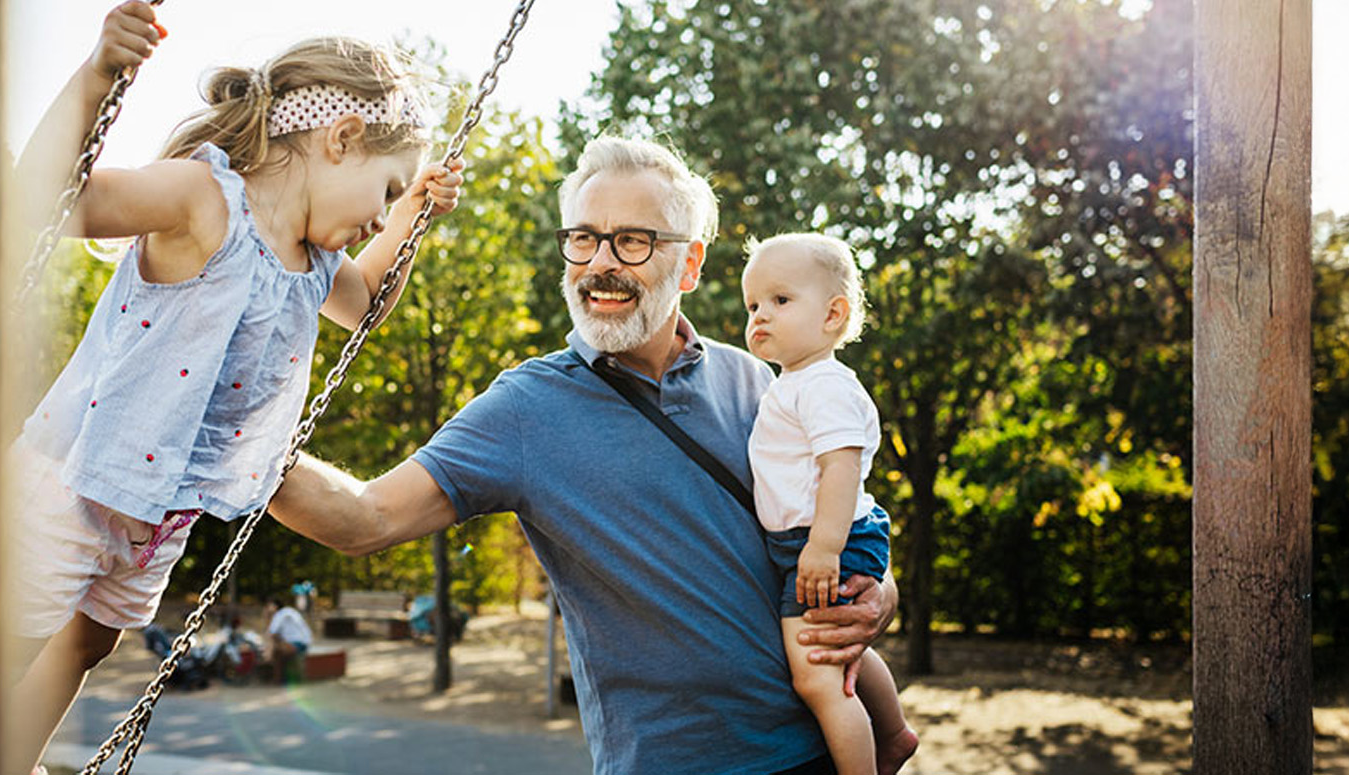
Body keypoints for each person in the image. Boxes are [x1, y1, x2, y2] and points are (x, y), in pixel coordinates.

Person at [268, 135, 900, 774]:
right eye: (584, 238)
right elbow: (366, 516)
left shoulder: (760, 380)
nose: (601, 263)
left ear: (689, 265)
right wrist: (238, 440)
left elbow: (842, 516)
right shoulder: (526, 406)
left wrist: (881, 595)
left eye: (632, 240)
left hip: (815, 753)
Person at [3, 4, 464, 773]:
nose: (378, 213)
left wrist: (410, 217)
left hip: (162, 507)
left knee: (88, 642)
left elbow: (368, 306)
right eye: (385, 188)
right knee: (11, 638)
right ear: (341, 138)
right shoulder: (203, 200)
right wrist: (95, 79)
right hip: (76, 475)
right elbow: (55, 200)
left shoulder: (314, 266)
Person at [742, 234, 918, 775]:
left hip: (823, 541)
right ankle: (892, 735)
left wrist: (823, 547)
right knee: (844, 653)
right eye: (752, 305)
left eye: (780, 300)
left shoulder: (824, 385)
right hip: (808, 542)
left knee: (816, 675)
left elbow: (840, 469)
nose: (760, 316)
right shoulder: (793, 382)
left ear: (833, 314)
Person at [263, 597, 314, 683]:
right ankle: (279, 677)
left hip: (297, 644)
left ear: (275, 606)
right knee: (276, 645)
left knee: (276, 649)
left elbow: (271, 633)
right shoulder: (289, 611)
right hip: (305, 643)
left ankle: (277, 678)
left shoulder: (280, 614)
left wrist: (267, 617)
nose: (267, 608)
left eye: (268, 606)